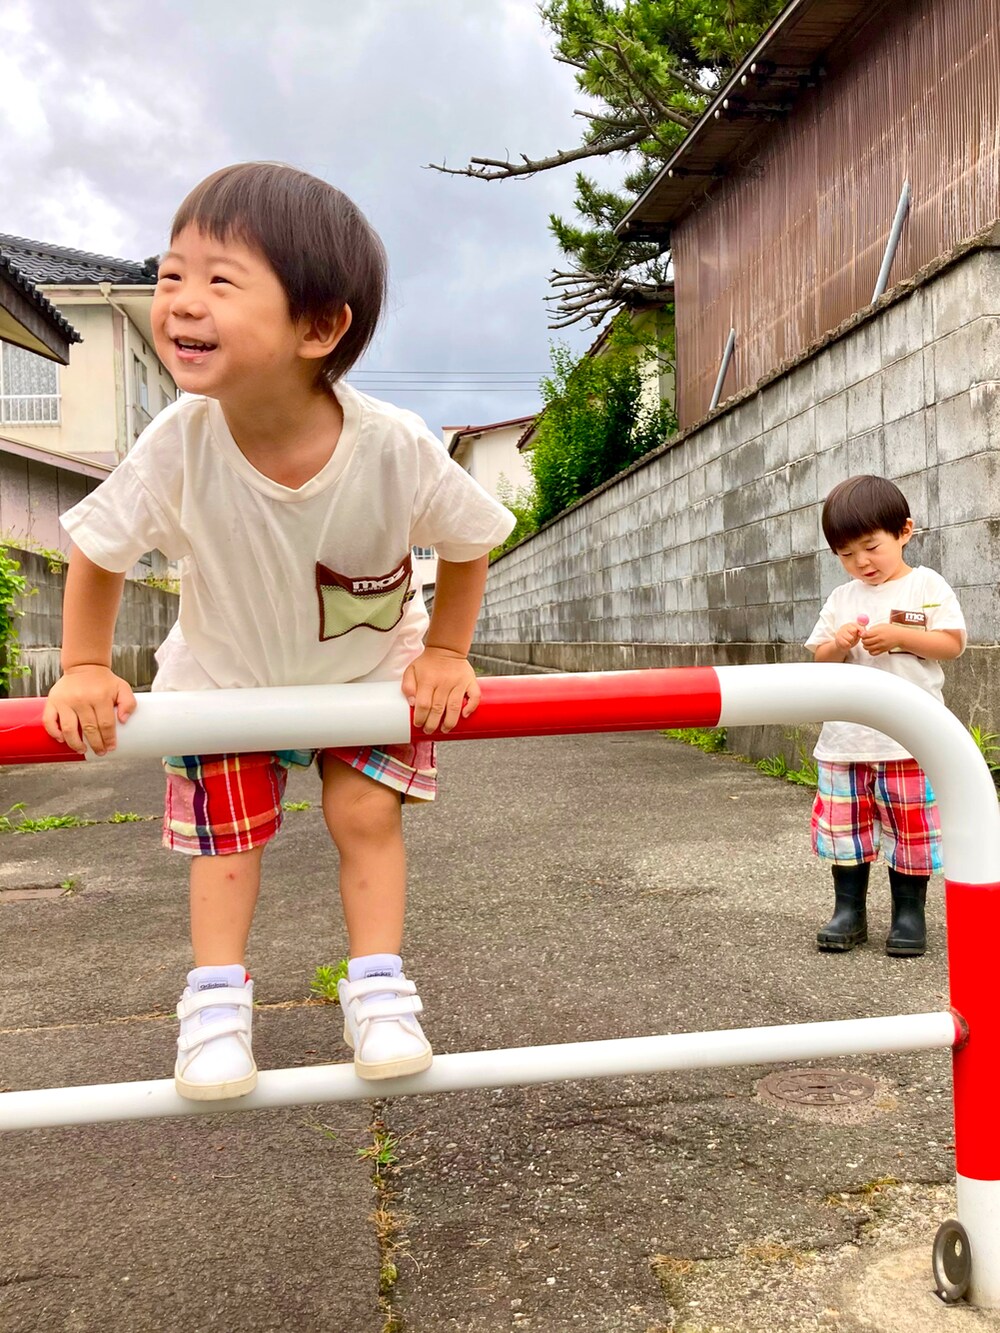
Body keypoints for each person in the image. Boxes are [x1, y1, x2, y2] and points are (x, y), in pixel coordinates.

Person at [42, 162, 514, 1099]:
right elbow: (99, 549)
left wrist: (449, 651)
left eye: (220, 281)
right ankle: (216, 1006)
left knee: (364, 811)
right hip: (227, 678)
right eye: (172, 275)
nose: (180, 302)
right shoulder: (179, 438)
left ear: (318, 326)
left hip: (368, 670)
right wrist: (84, 667)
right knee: (227, 841)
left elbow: (469, 541)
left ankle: (378, 988)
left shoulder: (393, 445)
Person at [805, 474, 966, 958]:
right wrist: (840, 644)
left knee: (911, 828)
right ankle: (848, 912)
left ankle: (908, 915)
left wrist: (899, 635)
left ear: (905, 532)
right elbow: (818, 660)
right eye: (846, 554)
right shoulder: (842, 599)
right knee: (843, 827)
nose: (861, 562)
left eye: (871, 547)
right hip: (846, 741)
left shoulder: (926, 585)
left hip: (910, 740)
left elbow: (951, 643)